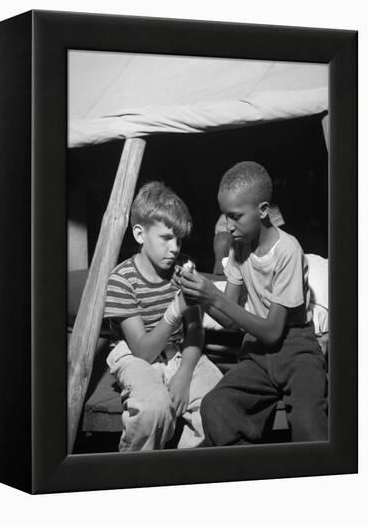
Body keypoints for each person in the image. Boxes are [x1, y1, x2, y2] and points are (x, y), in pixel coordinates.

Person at [179, 162, 328, 445]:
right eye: (225, 217)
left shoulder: (287, 250)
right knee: (216, 406)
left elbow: (273, 330)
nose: (228, 226)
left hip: (295, 348)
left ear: (262, 211)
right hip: (256, 353)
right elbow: (231, 321)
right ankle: (251, 471)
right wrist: (200, 297)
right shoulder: (239, 247)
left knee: (310, 424)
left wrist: (215, 296)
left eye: (235, 217)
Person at [104, 181, 223, 452]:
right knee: (153, 409)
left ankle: (185, 474)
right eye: (166, 238)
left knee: (218, 402)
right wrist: (175, 308)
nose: (175, 248)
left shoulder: (181, 269)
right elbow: (143, 352)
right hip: (135, 358)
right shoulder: (122, 280)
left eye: (179, 239)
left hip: (179, 353)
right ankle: (139, 477)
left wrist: (184, 373)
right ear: (139, 234)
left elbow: (195, 331)